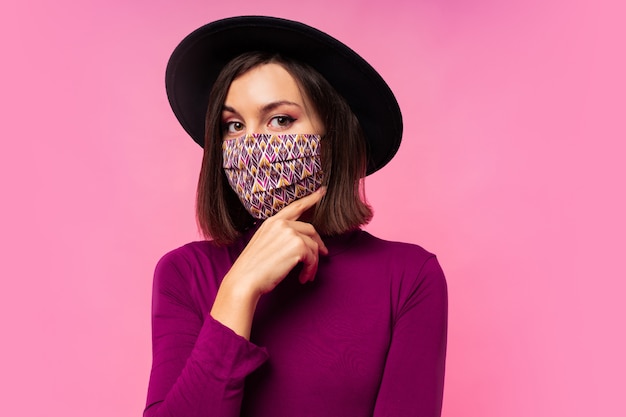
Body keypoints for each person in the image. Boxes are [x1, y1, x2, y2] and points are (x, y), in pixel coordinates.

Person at [144, 16, 448, 417]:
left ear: (334, 134)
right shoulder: (185, 273)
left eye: (281, 120)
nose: (252, 143)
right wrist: (238, 291)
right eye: (233, 125)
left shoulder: (410, 277)